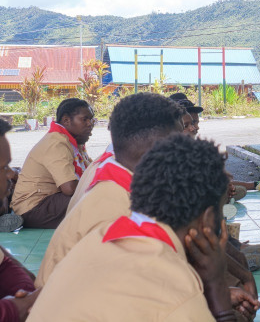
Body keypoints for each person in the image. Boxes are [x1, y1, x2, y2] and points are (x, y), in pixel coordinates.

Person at [28, 134, 259, 322]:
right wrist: (219, 298)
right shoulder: (179, 295)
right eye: (221, 212)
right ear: (208, 219)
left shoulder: (98, 238)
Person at [36, 93, 185, 286]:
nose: (185, 149)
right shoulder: (115, 211)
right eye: (179, 142)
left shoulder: (120, 179)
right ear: (156, 148)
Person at [10, 99, 94, 228]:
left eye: (92, 119)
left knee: (98, 196)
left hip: (49, 200)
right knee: (95, 199)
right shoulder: (57, 143)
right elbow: (70, 188)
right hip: (33, 208)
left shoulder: (74, 142)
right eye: (85, 119)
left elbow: (91, 169)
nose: (90, 124)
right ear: (66, 120)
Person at [0, 119, 39, 321]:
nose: (11, 173)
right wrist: (12, 309)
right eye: (3, 167)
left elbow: (4, 265)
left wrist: (26, 293)